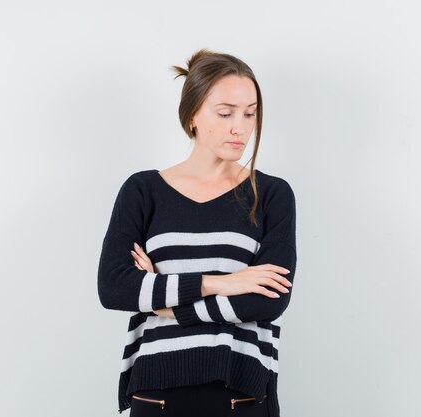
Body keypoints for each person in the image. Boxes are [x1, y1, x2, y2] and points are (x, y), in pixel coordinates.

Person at [97, 48, 297, 417]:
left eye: (250, 113)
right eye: (225, 113)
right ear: (192, 116)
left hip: (242, 393)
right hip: (156, 394)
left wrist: (162, 302)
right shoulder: (143, 191)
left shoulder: (271, 194)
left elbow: (267, 300)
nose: (241, 127)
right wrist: (222, 282)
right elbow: (114, 288)